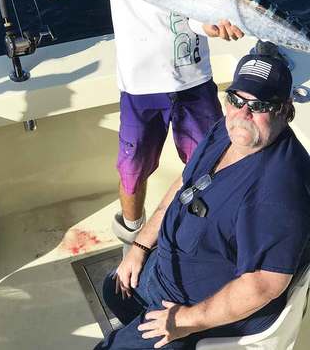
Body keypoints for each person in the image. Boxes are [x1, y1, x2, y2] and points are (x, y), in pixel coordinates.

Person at [24, 0, 243, 252]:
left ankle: (210, 239)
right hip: (139, 84)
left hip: (193, 79)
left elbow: (195, 13)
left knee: (211, 164)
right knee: (132, 172)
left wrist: (212, 27)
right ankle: (132, 238)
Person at [93, 52, 310, 349]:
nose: (243, 113)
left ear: (284, 110)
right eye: (236, 99)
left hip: (195, 306)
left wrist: (184, 321)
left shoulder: (280, 191)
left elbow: (264, 285)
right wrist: (140, 247)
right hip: (168, 271)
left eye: (259, 105)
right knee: (114, 290)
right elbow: (185, 182)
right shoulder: (226, 130)